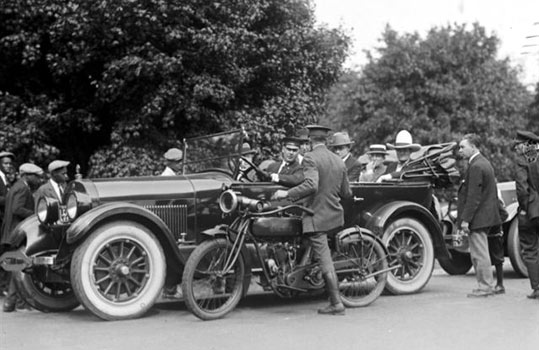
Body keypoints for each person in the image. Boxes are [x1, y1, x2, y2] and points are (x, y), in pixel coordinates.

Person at [272, 125, 352, 315]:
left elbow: (311, 185)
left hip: (317, 216)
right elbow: (346, 192)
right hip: (335, 215)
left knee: (324, 258)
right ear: (326, 141)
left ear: (309, 142)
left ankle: (336, 303)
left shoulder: (310, 158)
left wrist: (286, 193)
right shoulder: (338, 160)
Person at [456, 133, 501, 297]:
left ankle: (485, 287)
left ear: (473, 147)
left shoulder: (475, 166)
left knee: (479, 254)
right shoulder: (482, 162)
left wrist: (465, 220)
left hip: (479, 218)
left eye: (463, 147)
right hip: (485, 216)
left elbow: (473, 197)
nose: (460, 150)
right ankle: (485, 285)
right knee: (481, 252)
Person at [2, 163, 44, 312]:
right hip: (18, 233)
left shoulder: (16, 186)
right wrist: (35, 216)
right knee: (19, 268)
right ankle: (20, 304)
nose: (38, 179)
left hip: (12, 233)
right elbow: (17, 209)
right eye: (36, 176)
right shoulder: (22, 188)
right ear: (27, 176)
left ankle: (10, 303)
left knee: (16, 266)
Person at [513, 130, 539, 299]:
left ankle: (537, 288)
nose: (515, 148)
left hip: (531, 211)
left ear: (525, 145)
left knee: (530, 249)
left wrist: (524, 208)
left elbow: (522, 189)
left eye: (517, 145)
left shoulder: (522, 160)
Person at [0, 151, 15, 295]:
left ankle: (3, 286)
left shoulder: (8, 180)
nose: (8, 166)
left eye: (10, 163)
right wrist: (11, 200)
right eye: (5, 163)